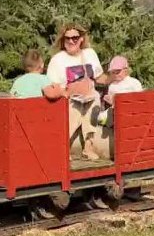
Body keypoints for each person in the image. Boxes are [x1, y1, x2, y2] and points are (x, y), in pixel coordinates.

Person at [46, 24, 108, 160]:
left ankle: (88, 146)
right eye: (67, 38)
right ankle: (64, 148)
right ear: (63, 40)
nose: (71, 41)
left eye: (75, 37)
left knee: (95, 98)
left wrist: (113, 78)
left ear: (81, 39)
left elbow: (99, 77)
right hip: (68, 98)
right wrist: (68, 91)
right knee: (74, 107)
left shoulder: (90, 54)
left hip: (89, 96)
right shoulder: (57, 60)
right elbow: (53, 87)